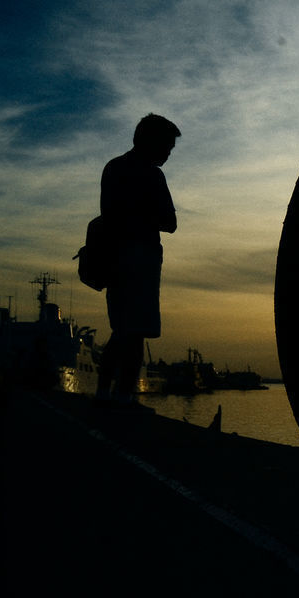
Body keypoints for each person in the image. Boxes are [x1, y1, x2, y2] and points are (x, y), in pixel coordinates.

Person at [94, 113, 180, 407]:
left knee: (122, 330)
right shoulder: (153, 176)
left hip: (114, 258)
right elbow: (170, 222)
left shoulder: (113, 168)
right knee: (135, 332)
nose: (168, 153)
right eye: (167, 146)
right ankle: (123, 397)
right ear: (152, 142)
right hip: (140, 260)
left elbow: (107, 214)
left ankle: (105, 393)